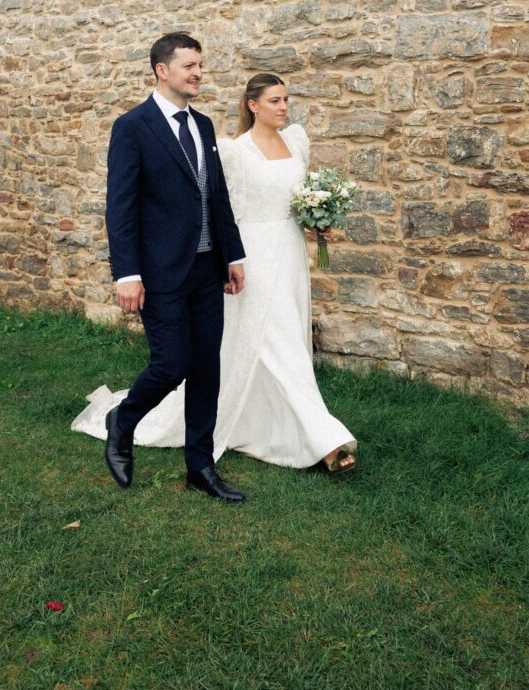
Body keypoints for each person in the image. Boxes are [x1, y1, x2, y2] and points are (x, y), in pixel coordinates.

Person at [73, 72, 357, 475]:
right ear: (252, 105)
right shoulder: (232, 150)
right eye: (274, 100)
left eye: (286, 99)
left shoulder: (293, 140)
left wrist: (317, 222)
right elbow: (227, 209)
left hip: (288, 254)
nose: (283, 106)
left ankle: (218, 455)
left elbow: (270, 203)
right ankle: (324, 439)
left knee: (284, 343)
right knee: (273, 347)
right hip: (252, 257)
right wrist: (227, 259)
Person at [97, 32, 247, 504]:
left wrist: (233, 255)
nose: (199, 73)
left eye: (200, 65)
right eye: (190, 66)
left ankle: (200, 467)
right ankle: (123, 419)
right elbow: (120, 207)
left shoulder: (202, 125)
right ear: (163, 70)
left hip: (207, 269)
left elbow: (216, 195)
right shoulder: (133, 127)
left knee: (207, 370)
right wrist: (127, 273)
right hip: (160, 271)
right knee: (171, 364)